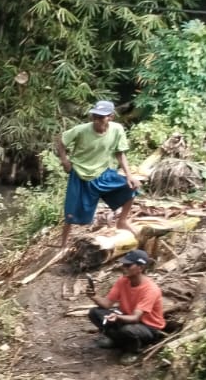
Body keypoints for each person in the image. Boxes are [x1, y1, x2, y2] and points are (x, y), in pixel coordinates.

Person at [56, 101, 139, 247]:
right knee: (71, 211)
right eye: (95, 116)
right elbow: (61, 141)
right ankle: (63, 244)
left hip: (103, 172)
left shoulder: (117, 129)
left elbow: (120, 153)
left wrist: (129, 175)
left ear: (110, 117)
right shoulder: (81, 130)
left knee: (131, 188)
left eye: (101, 117)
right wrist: (65, 161)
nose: (97, 120)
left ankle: (122, 221)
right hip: (80, 174)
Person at [88, 250, 165, 356]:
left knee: (128, 329)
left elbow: (135, 318)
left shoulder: (150, 289)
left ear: (141, 268)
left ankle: (133, 350)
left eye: (128, 265)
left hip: (148, 327)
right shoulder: (122, 281)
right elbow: (107, 304)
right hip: (128, 317)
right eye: (124, 264)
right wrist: (93, 296)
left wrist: (118, 317)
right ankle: (117, 340)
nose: (124, 268)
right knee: (95, 313)